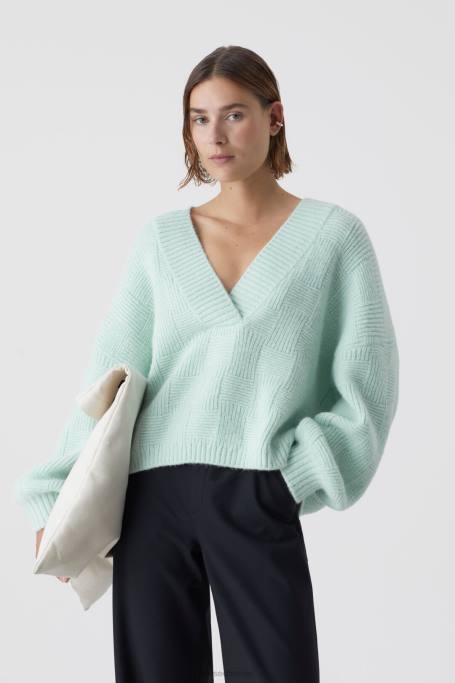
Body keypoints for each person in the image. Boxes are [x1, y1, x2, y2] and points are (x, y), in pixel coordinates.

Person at [14, 45, 399, 683]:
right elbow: (109, 378)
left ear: (275, 117)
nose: (214, 136)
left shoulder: (334, 237)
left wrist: (292, 478)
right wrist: (54, 499)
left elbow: (368, 385)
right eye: (199, 118)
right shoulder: (160, 241)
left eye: (234, 115)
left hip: (258, 489)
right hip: (151, 497)